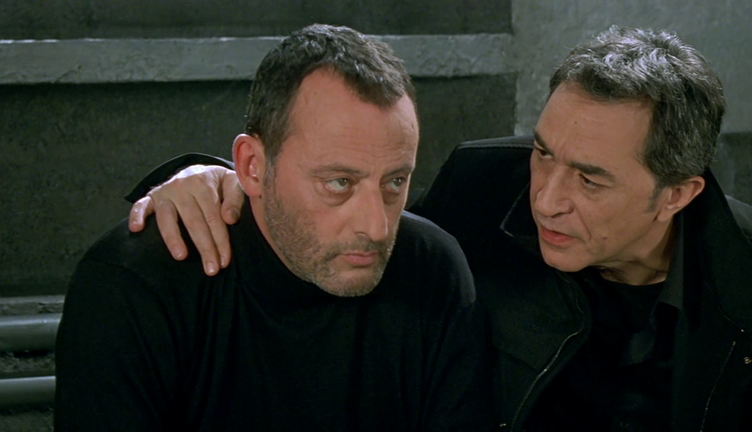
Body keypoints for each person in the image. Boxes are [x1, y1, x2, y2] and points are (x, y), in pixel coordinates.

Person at [127, 27, 752, 431]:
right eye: (545, 153)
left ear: (678, 193)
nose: (547, 198)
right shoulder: (484, 188)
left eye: (590, 178)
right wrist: (208, 178)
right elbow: (345, 240)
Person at [55, 24, 492, 431]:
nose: (376, 228)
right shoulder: (134, 286)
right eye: (339, 183)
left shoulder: (432, 269)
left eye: (395, 182)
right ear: (252, 167)